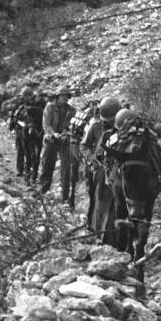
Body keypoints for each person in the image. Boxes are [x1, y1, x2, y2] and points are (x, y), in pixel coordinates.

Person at [81, 95, 121, 245]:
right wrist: (92, 160)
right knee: (99, 202)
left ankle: (113, 237)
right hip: (99, 170)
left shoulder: (122, 126)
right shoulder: (95, 126)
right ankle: (98, 234)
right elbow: (84, 146)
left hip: (116, 171)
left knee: (116, 205)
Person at [38, 87, 76, 200]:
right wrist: (53, 134)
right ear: (57, 97)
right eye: (62, 96)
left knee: (66, 169)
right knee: (47, 166)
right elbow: (46, 124)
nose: (65, 98)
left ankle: (65, 197)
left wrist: (65, 133)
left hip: (64, 140)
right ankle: (42, 192)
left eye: (66, 96)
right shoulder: (49, 107)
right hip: (51, 139)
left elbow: (71, 126)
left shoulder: (71, 110)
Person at [9, 85, 44, 182]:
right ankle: (24, 171)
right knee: (22, 151)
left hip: (34, 131)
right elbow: (14, 116)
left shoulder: (38, 104)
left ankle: (31, 173)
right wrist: (13, 124)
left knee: (32, 154)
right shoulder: (21, 105)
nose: (24, 98)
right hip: (23, 130)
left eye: (25, 96)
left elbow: (42, 118)